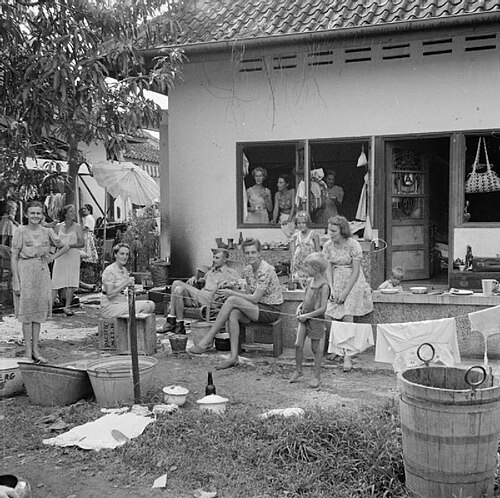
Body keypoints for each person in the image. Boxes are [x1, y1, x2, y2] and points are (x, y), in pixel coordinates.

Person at [188, 238, 284, 370]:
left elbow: (255, 298)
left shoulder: (265, 270)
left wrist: (231, 293)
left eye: (253, 252)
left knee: (232, 300)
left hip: (270, 310)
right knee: (234, 313)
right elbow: (245, 288)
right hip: (256, 308)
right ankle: (233, 357)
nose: (250, 256)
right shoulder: (248, 270)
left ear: (259, 253)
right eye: (247, 253)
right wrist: (232, 285)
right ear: (243, 254)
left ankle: (207, 340)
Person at [11, 201, 65, 362]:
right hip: (24, 271)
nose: (35, 216)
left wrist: (51, 258)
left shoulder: (47, 231)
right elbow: (14, 256)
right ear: (26, 214)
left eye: (38, 213)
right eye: (32, 213)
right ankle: (28, 352)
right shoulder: (20, 231)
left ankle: (36, 350)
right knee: (27, 313)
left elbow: (64, 246)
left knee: (38, 313)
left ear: (42, 215)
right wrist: (15, 279)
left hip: (41, 271)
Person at [323, 216, 373, 372]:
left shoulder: (353, 245)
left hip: (353, 282)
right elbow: (328, 268)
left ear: (342, 230)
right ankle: (338, 348)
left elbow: (356, 271)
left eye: (333, 231)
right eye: (329, 230)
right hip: (336, 279)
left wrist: (345, 293)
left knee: (347, 315)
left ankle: (347, 355)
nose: (330, 234)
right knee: (328, 315)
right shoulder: (328, 246)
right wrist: (331, 287)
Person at [159, 248, 240, 334]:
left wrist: (230, 284)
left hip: (211, 300)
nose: (213, 260)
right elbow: (200, 281)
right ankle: (180, 325)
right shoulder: (210, 272)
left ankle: (171, 320)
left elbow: (240, 283)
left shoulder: (230, 272)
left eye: (217, 258)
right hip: (200, 298)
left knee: (176, 283)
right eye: (213, 257)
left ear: (224, 260)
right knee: (178, 290)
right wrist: (194, 279)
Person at [289, 252, 329, 388]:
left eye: (307, 268)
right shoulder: (309, 281)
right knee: (298, 344)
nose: (305, 270)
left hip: (316, 320)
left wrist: (308, 316)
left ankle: (316, 377)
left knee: (315, 348)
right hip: (304, 318)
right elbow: (305, 299)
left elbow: (322, 309)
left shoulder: (324, 286)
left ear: (315, 269)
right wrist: (299, 308)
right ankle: (298, 370)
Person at [100, 242, 155, 318]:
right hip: (111, 307)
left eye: (127, 254)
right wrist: (126, 283)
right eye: (122, 254)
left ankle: (133, 328)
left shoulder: (124, 270)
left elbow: (126, 290)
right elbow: (110, 294)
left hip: (122, 303)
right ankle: (131, 328)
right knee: (148, 305)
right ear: (115, 255)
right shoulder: (110, 270)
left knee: (150, 305)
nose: (125, 257)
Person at [51, 204, 84, 316]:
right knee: (56, 281)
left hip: (72, 255)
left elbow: (82, 243)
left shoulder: (77, 227)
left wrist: (70, 245)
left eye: (74, 212)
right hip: (60, 256)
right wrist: (58, 245)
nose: (73, 214)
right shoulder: (58, 227)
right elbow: (53, 241)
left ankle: (67, 306)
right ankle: (49, 307)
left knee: (71, 281)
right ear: (65, 214)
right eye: (71, 211)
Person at [290, 212, 320, 285]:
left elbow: (318, 252)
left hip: (310, 265)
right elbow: (292, 253)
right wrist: (292, 265)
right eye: (299, 223)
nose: (301, 225)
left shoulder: (314, 235)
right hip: (298, 266)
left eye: (303, 223)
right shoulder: (295, 236)